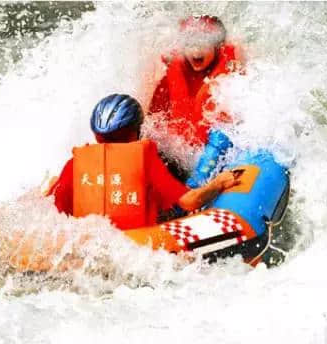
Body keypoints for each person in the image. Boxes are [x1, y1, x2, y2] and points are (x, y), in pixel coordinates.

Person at [45, 93, 241, 230]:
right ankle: (218, 143)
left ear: (96, 135)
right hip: (147, 237)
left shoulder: (75, 164)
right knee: (193, 184)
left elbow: (53, 211)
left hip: (100, 242)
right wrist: (219, 182)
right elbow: (190, 201)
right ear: (135, 132)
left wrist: (52, 186)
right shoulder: (144, 158)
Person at [148, 15, 242, 147]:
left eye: (204, 44)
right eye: (190, 44)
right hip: (179, 152)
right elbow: (153, 120)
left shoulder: (230, 76)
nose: (196, 51)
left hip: (216, 150)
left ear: (217, 46)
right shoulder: (170, 75)